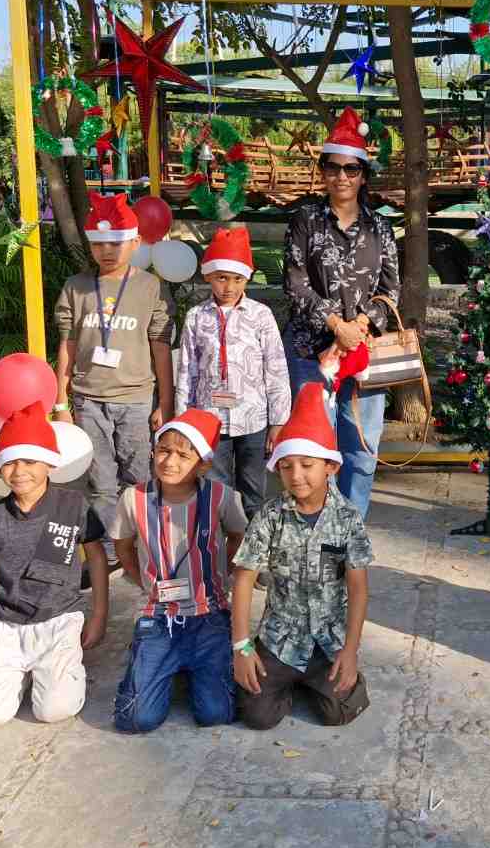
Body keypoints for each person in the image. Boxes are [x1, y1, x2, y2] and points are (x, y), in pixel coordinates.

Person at [230, 382, 372, 730]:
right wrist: (242, 648)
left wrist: (350, 652)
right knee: (257, 716)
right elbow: (244, 579)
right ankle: (290, 683)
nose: (296, 476)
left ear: (331, 467)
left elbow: (358, 590)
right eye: (286, 466)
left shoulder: (348, 518)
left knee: (340, 713)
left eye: (307, 464)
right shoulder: (269, 516)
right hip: (281, 638)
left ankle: (315, 682)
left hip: (328, 640)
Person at [282, 109, 400, 520]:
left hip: (364, 355)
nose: (342, 177)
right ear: (323, 172)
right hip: (310, 353)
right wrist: (336, 326)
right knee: (314, 447)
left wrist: (359, 327)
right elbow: (295, 283)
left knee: (362, 449)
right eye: (333, 168)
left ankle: (349, 530)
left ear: (363, 174)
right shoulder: (305, 221)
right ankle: (314, 528)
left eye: (351, 169)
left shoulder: (381, 228)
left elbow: (391, 288)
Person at [52, 192, 176, 561]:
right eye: (100, 243)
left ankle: (144, 539)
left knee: (140, 476)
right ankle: (110, 544)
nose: (107, 251)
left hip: (136, 400)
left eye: (117, 243)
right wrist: (61, 401)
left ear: (135, 243)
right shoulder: (76, 288)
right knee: (100, 480)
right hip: (88, 400)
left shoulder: (150, 287)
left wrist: (165, 403)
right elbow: (67, 347)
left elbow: (160, 348)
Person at [0, 404, 109, 726]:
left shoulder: (73, 505)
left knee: (53, 711)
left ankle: (62, 671)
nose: (19, 471)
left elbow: (98, 558)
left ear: (49, 463)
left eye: (29, 461)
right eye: (9, 462)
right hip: (7, 624)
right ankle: (11, 671)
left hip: (59, 620)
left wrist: (99, 615)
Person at [109, 409, 249, 732]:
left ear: (203, 464)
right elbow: (123, 545)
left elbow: (239, 537)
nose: (169, 462)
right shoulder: (134, 498)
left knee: (215, 714)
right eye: (163, 451)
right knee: (136, 720)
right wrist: (142, 580)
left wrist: (223, 574)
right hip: (160, 614)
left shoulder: (222, 497)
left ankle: (186, 666)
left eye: (183, 455)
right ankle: (154, 659)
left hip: (208, 612)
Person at [175, 226, 291, 520]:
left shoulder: (260, 315)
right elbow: (187, 369)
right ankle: (217, 551)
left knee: (254, 491)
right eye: (221, 278)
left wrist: (278, 422)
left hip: (253, 420)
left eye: (237, 278)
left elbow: (275, 368)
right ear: (208, 276)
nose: (229, 286)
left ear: (247, 278)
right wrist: (183, 419)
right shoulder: (196, 317)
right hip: (209, 420)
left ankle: (254, 554)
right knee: (216, 490)